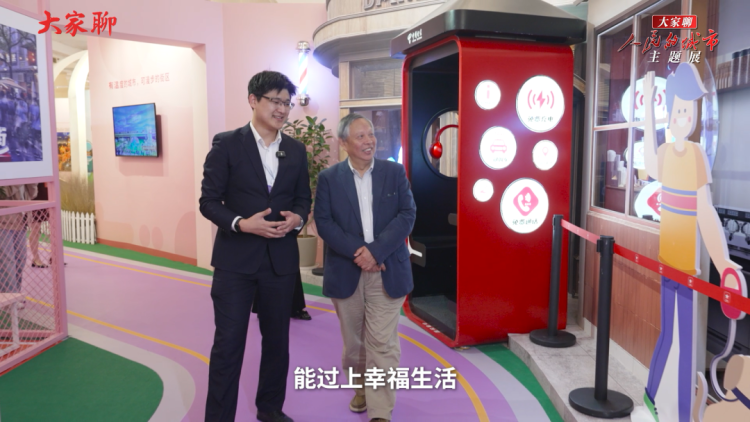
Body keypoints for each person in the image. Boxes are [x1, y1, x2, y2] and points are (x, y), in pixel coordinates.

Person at [632, 63, 747, 422]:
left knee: (685, 340)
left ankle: (679, 412)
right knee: (671, 337)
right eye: (680, 109)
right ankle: (654, 398)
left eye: (690, 110)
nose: (684, 117)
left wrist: (723, 262)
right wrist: (647, 106)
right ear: (670, 112)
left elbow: (706, 212)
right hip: (669, 263)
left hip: (689, 268)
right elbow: (650, 164)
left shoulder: (697, 155)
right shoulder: (666, 154)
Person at [199, 70, 311, 422]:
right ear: (253, 100)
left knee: (277, 342)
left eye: (287, 103)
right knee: (228, 345)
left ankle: (270, 409)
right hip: (235, 262)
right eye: (275, 101)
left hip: (280, 262)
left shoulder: (296, 150)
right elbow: (209, 202)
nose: (282, 109)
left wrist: (298, 219)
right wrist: (241, 223)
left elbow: (303, 198)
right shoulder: (227, 144)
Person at [314, 113, 416, 422]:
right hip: (347, 271)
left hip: (387, 270)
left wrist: (376, 252)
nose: (369, 141)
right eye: (360, 136)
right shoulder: (329, 178)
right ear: (344, 142)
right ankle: (361, 388)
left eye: (371, 134)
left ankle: (380, 411)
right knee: (355, 344)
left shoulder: (394, 172)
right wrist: (358, 252)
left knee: (382, 343)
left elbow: (407, 214)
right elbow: (324, 223)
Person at [0, 184, 38, 298]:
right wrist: (18, 180)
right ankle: (9, 299)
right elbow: (3, 193)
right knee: (7, 262)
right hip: (4, 221)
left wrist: (32, 182)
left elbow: (33, 194)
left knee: (20, 260)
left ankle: (15, 294)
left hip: (21, 222)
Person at [29, 182, 49, 268]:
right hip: (35, 198)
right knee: (35, 229)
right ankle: (36, 258)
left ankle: (54, 256)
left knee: (55, 229)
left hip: (48, 197)